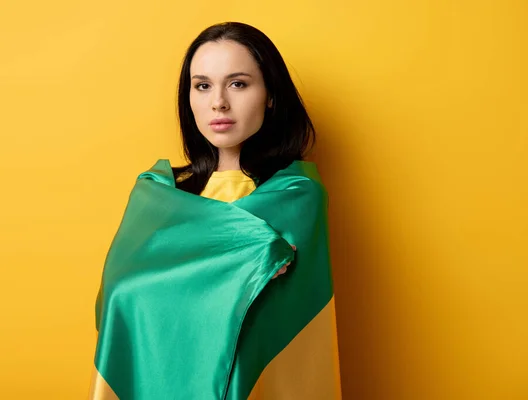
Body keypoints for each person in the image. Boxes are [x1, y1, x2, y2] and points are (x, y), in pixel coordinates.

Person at [89, 22, 341, 399]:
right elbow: (121, 295)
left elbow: (273, 318)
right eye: (202, 85)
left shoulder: (296, 194)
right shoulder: (157, 193)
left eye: (238, 84)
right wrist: (241, 256)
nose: (218, 102)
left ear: (271, 94)